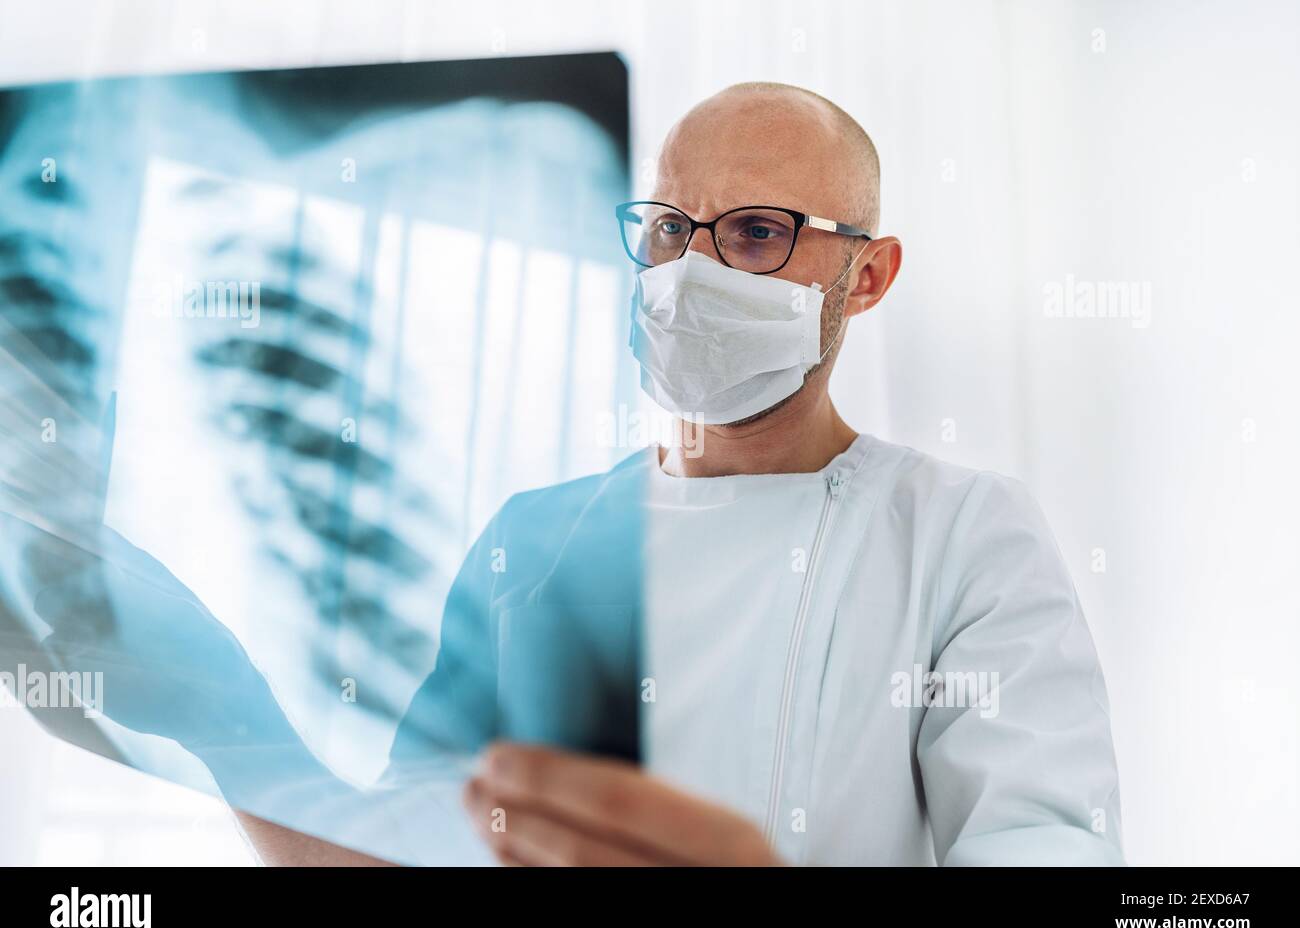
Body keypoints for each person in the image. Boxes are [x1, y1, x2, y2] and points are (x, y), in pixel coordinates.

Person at [36, 81, 1124, 866]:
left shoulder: (961, 537)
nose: (691, 273)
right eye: (666, 231)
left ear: (868, 274)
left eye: (754, 234)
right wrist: (217, 708)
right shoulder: (537, 539)